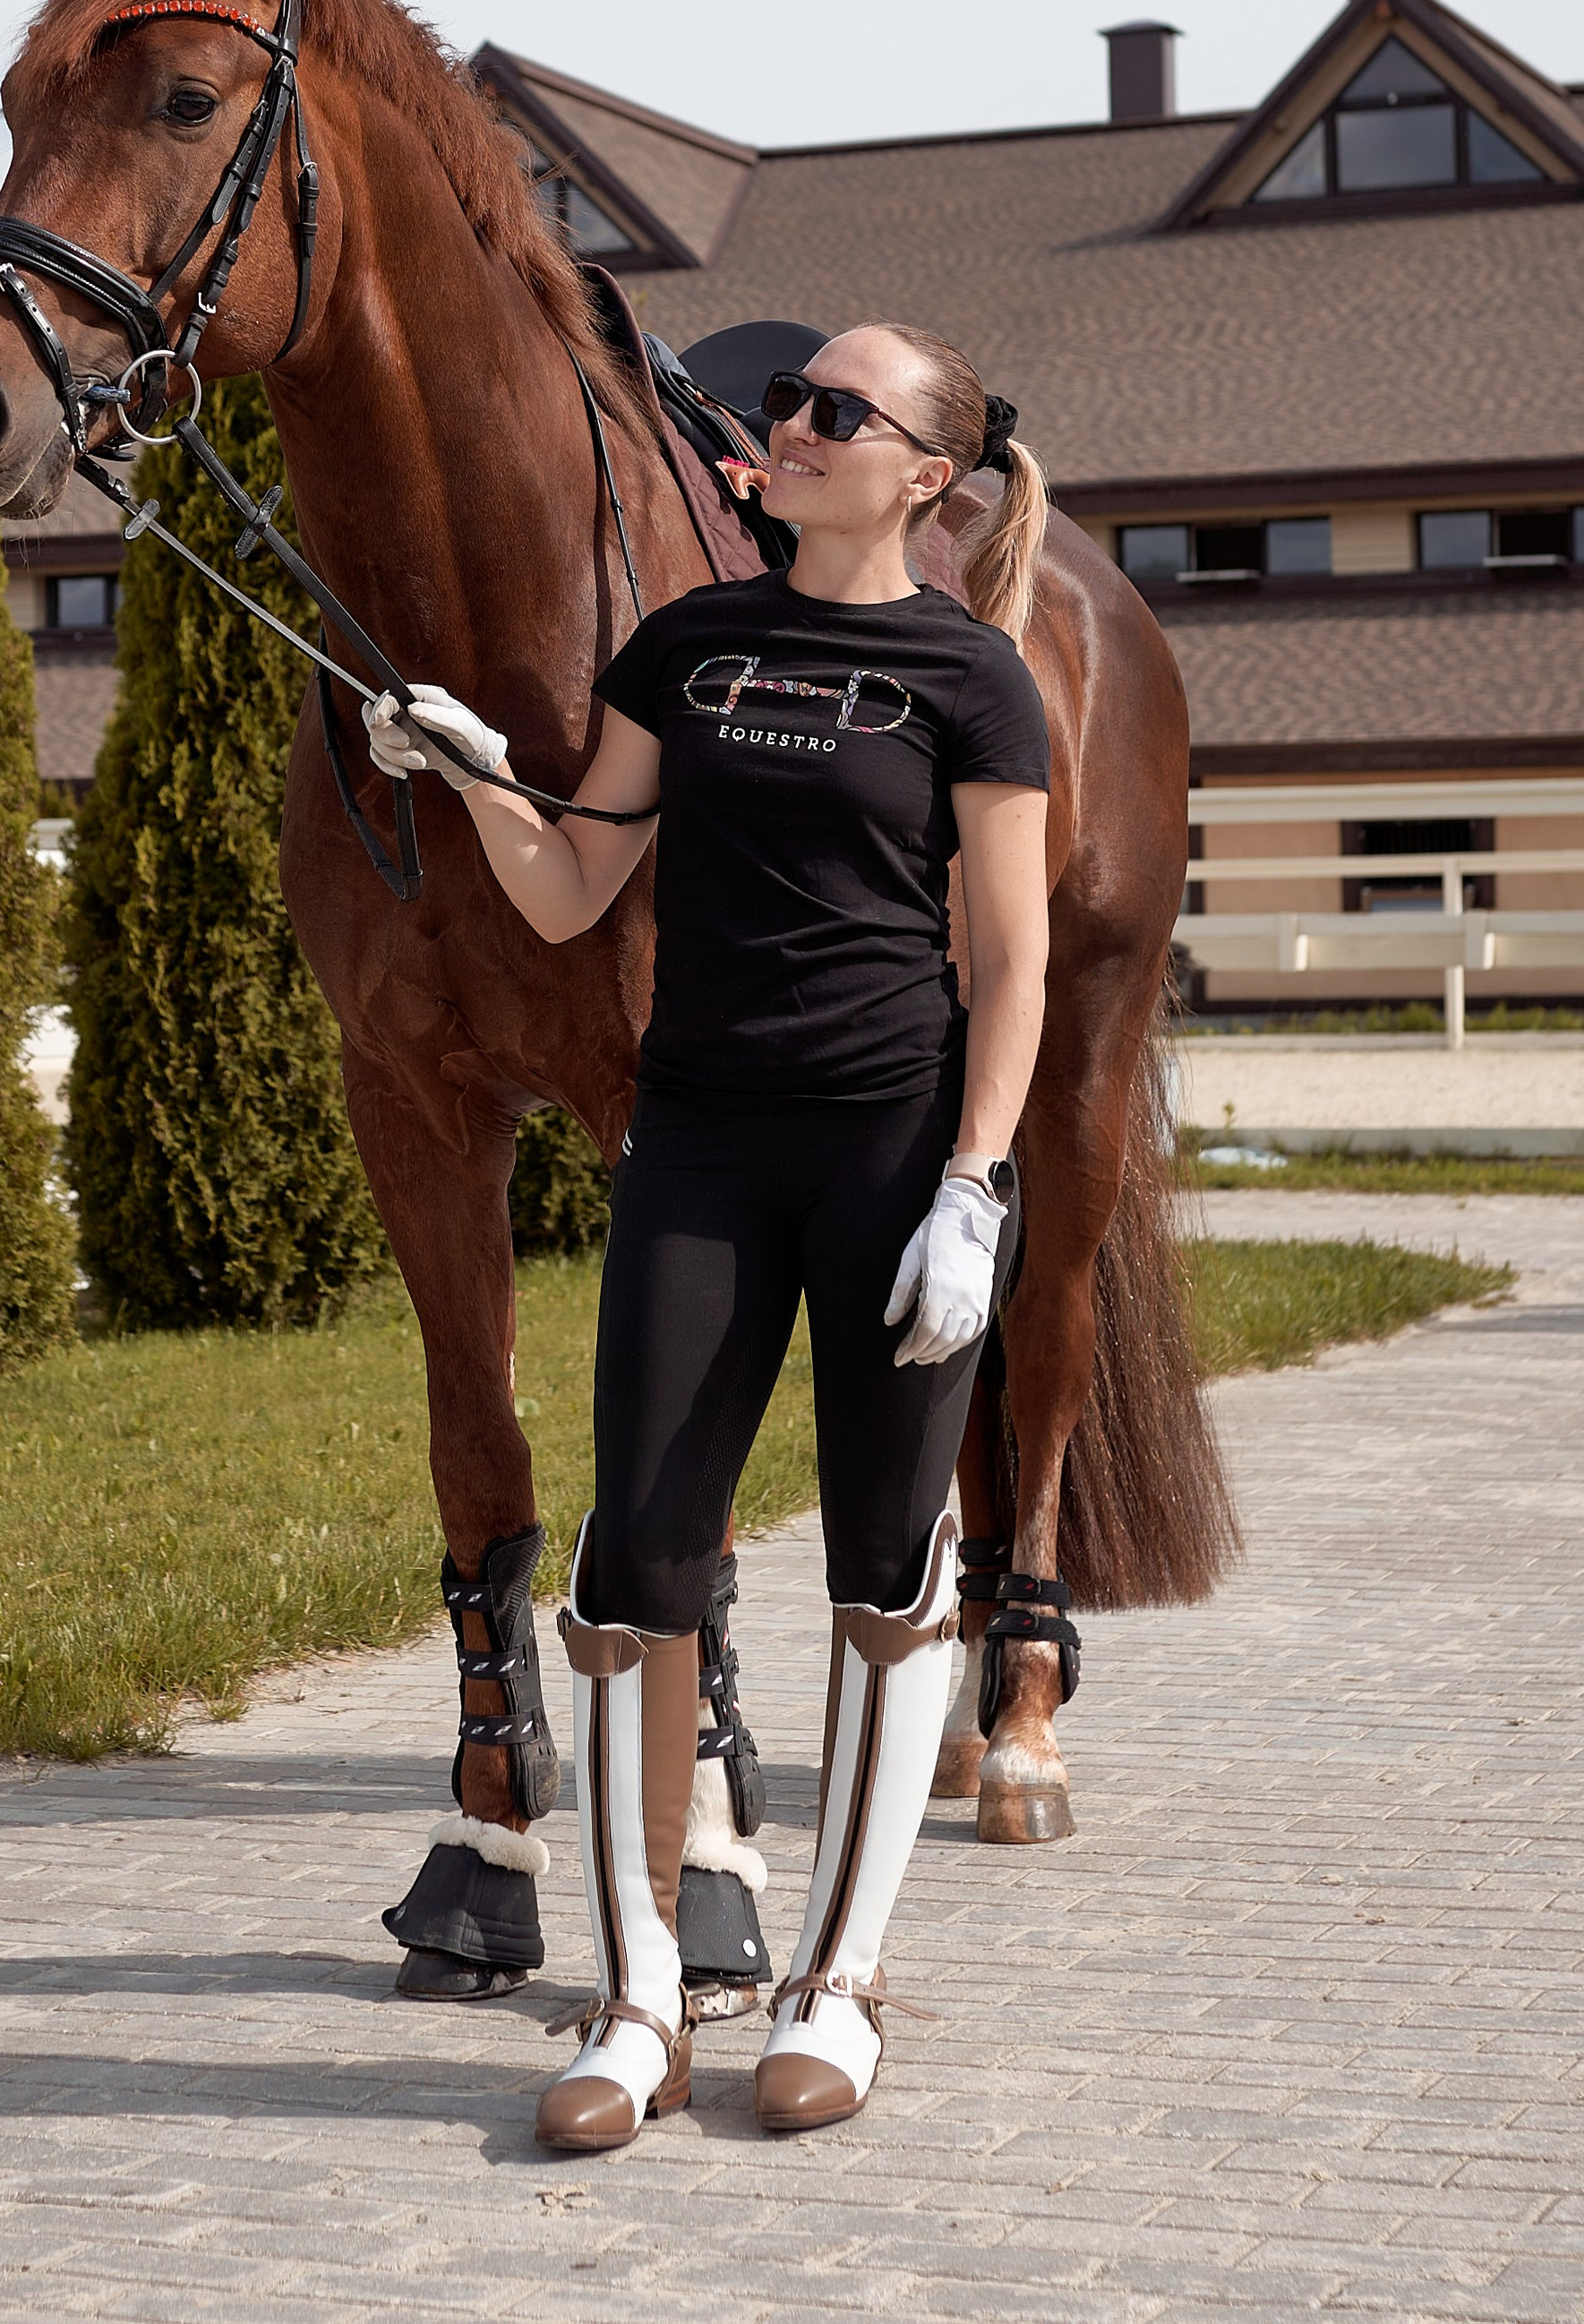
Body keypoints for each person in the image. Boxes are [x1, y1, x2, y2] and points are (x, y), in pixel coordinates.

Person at [365, 323, 1050, 2150]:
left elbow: (1008, 963)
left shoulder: (972, 679)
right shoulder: (683, 648)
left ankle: (834, 1984)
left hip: (895, 1152)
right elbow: (574, 882)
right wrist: (466, 770)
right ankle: (639, 1998)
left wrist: (976, 1185)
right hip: (697, 1151)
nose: (792, 426)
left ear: (924, 473)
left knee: (884, 1557)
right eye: (788, 403)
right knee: (629, 1565)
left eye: (840, 412)